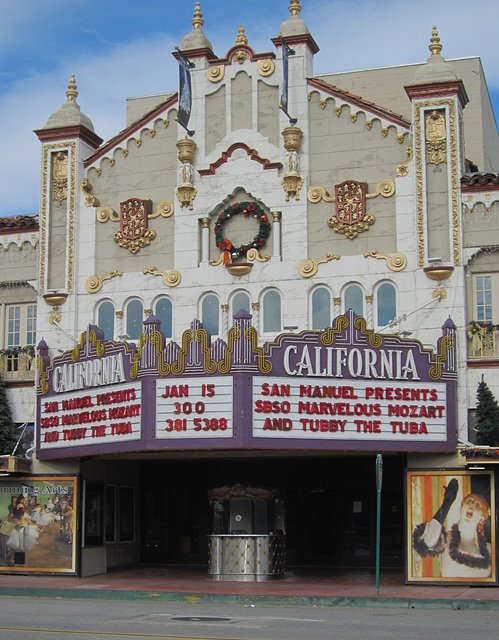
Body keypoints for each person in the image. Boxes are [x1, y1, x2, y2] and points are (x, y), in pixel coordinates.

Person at [413, 478, 492, 578]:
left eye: (478, 505)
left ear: (482, 518)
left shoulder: (489, 549)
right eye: (469, 501)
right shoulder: (445, 539)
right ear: (461, 508)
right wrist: (447, 502)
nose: (472, 505)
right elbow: (428, 540)